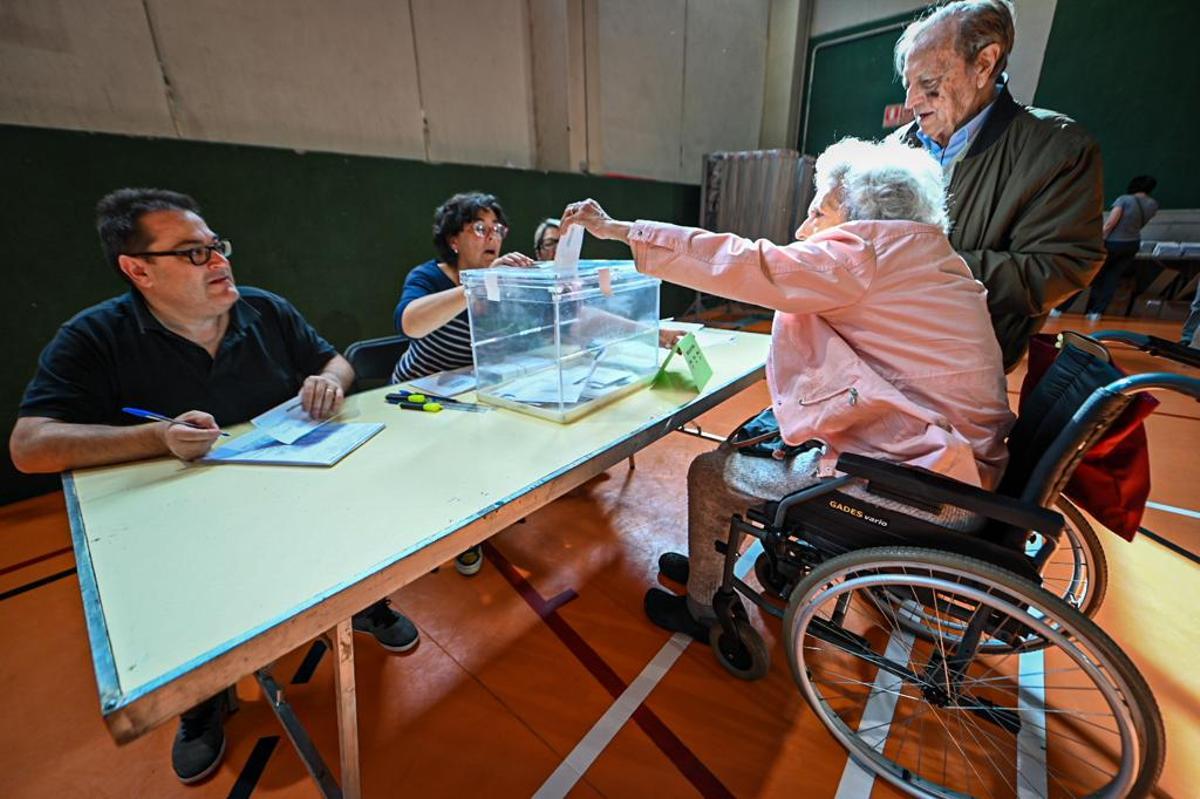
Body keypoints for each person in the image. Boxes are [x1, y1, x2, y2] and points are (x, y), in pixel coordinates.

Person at [9, 188, 419, 785]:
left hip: (294, 491)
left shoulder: (265, 310)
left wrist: (328, 381)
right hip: (183, 519)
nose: (220, 262)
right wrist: (156, 438)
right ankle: (202, 699)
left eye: (216, 246)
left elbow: (335, 360)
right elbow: (30, 445)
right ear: (138, 269)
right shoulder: (94, 336)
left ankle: (364, 605)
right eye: (194, 254)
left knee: (343, 542)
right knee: (190, 609)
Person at [560, 138, 1015, 639]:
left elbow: (743, 261)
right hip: (966, 472)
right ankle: (715, 567)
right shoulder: (933, 260)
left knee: (712, 472)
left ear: (860, 213)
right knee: (753, 438)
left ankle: (703, 607)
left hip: (921, 485)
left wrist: (620, 230)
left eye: (819, 211)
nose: (804, 229)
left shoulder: (863, 252)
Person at [890, 0, 1105, 369]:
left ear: (985, 64)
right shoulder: (897, 146)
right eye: (909, 85)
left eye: (928, 84)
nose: (911, 102)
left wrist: (924, 268)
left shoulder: (1056, 150)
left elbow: (1058, 266)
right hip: (876, 348)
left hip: (960, 367)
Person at [390, 192, 534, 575]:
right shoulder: (429, 277)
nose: (492, 238)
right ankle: (443, 531)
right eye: (480, 229)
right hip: (418, 396)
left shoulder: (500, 279)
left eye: (497, 229)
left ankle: (472, 525)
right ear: (454, 240)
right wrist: (478, 284)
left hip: (471, 392)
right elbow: (410, 322)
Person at [1056, 176, 1158, 321]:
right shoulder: (1153, 204)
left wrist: (1099, 239)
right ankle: (1096, 312)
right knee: (1112, 278)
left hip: (1112, 242)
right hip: (1132, 244)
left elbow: (1111, 223)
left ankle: (1060, 309)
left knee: (1087, 275)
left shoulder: (1124, 200)